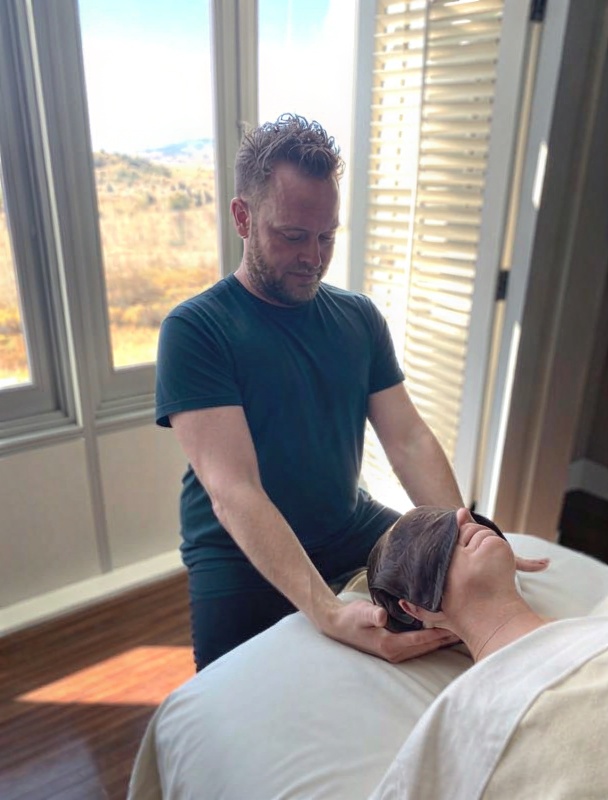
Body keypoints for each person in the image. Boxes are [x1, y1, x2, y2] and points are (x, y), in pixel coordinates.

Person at [156, 113, 544, 670]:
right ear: (243, 217)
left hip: (349, 523)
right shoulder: (196, 329)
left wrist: (459, 531)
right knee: (229, 694)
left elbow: (408, 439)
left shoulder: (358, 317)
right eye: (292, 236)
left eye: (326, 236)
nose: (313, 257)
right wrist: (328, 611)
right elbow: (233, 490)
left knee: (477, 610)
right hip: (236, 551)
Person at [368, 506, 549, 661]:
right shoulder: (497, 695)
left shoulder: (574, 631)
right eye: (432, 534)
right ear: (416, 608)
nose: (463, 514)